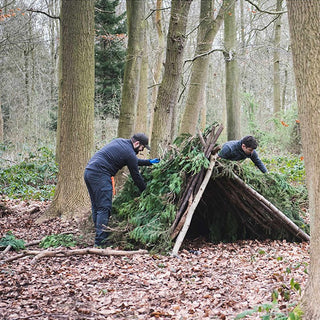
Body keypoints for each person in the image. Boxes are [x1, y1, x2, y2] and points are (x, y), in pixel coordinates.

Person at [84, 133, 160, 247]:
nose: (140, 151)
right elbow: (136, 176)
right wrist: (145, 191)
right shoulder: (129, 153)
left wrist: (149, 162)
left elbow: (133, 160)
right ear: (137, 143)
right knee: (104, 208)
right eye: (142, 148)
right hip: (100, 175)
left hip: (89, 172)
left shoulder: (120, 142)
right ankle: (100, 243)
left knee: (97, 206)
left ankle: (99, 238)